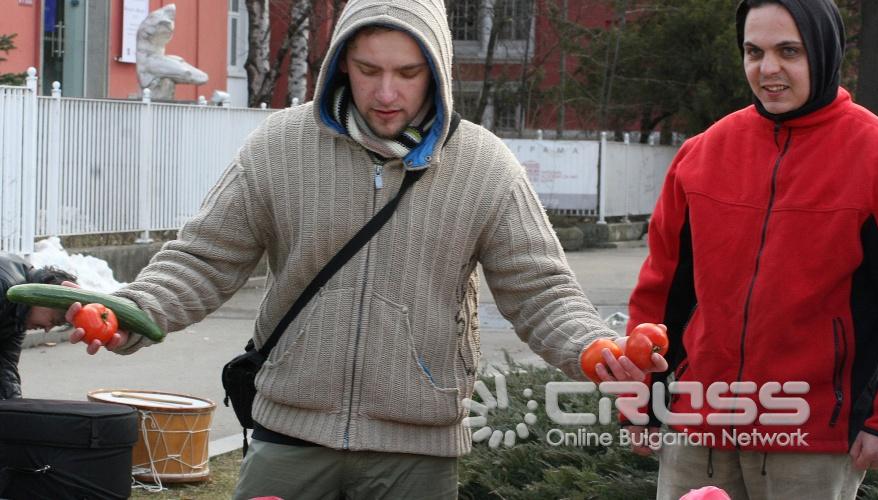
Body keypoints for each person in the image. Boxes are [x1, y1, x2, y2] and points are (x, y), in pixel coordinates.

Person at [68, 0, 666, 498]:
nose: (385, 92)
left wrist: (590, 348)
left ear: (437, 68)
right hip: (289, 435)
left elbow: (540, 288)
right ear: (339, 65)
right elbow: (203, 257)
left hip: (418, 450)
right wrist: (130, 313)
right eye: (367, 69)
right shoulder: (280, 145)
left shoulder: (485, 165)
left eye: (407, 72)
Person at [625, 0, 878, 498]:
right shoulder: (701, 154)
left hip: (812, 434)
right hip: (699, 424)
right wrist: (641, 401)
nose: (768, 70)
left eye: (789, 51)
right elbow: (660, 294)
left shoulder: (873, 155)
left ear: (825, 52)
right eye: (753, 51)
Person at [0, 253, 77, 400]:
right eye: (54, 321)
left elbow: (6, 367)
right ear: (46, 296)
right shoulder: (5, 287)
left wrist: (17, 409)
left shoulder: (19, 311)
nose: (47, 329)